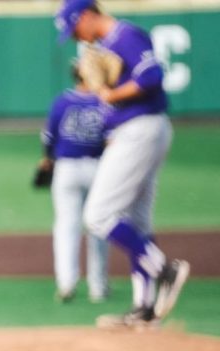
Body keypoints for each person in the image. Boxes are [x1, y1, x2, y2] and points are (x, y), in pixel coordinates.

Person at [55, 0, 191, 328]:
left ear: (86, 16)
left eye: (74, 28)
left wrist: (111, 96)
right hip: (141, 130)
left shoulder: (124, 35)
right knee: (138, 223)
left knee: (98, 215)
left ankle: (164, 269)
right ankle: (144, 309)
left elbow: (153, 76)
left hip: (141, 130)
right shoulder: (108, 43)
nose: (76, 36)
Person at [39, 63, 110, 303]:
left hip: (67, 168)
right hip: (98, 168)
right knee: (98, 226)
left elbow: (48, 138)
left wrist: (46, 159)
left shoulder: (62, 102)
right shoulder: (104, 101)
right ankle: (98, 287)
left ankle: (66, 283)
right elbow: (112, 139)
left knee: (66, 226)